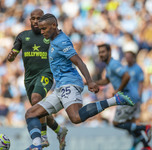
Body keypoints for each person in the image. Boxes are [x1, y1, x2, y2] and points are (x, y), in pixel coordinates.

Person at [24, 13, 134, 150]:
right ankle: (36, 145)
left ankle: (114, 100)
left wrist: (90, 81)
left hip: (69, 83)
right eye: (40, 29)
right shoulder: (53, 38)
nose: (42, 32)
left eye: (44, 29)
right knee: (31, 113)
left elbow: (78, 61)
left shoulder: (62, 41)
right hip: (60, 87)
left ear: (54, 25)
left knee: (75, 118)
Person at [7, 9, 67, 149]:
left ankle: (43, 137)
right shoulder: (23, 36)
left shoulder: (49, 36)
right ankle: (59, 131)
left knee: (36, 99)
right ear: (29, 20)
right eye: (33, 18)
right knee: (39, 110)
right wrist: (10, 56)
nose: (35, 21)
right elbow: (12, 55)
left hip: (46, 74)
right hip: (29, 79)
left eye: (38, 18)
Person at [96, 43, 151, 150]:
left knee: (117, 123)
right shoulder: (112, 65)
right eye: (99, 52)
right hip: (128, 97)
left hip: (129, 98)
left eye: (103, 52)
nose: (101, 54)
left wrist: (118, 90)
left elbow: (132, 80)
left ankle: (145, 128)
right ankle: (145, 145)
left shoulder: (117, 65)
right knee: (129, 125)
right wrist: (91, 82)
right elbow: (107, 80)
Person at [123, 46, 151, 150]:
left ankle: (142, 138)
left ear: (133, 58)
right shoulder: (125, 69)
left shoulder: (137, 69)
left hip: (134, 99)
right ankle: (143, 143)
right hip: (126, 98)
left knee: (127, 122)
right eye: (126, 57)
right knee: (129, 124)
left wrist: (138, 98)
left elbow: (141, 84)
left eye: (129, 57)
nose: (127, 59)